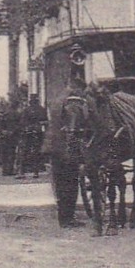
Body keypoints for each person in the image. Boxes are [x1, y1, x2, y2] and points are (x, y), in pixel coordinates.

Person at [46, 81, 85, 228]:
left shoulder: (58, 102)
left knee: (61, 184)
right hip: (65, 149)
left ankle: (64, 218)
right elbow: (72, 128)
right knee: (70, 184)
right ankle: (67, 218)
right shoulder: (71, 103)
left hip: (56, 148)